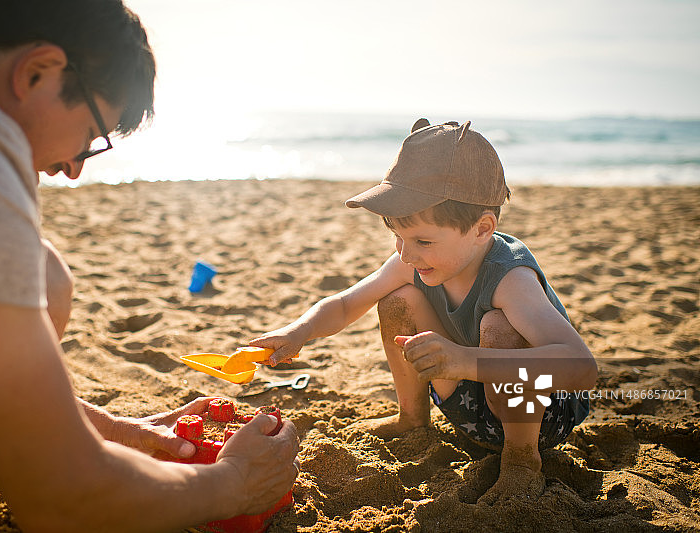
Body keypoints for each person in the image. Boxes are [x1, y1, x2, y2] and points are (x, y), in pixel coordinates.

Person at [0, 0, 299, 530]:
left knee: (42, 276)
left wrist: (123, 432)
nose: (71, 170)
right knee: (44, 283)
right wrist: (234, 485)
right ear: (36, 71)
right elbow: (60, 500)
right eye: (91, 137)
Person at [251, 119, 596, 504]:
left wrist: (466, 360)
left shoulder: (510, 278)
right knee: (398, 300)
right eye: (397, 237)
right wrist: (299, 332)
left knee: (499, 328)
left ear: (483, 228)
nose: (406, 253)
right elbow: (347, 303)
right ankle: (412, 420)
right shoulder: (413, 260)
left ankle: (520, 460)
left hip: (540, 415)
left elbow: (581, 368)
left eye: (423, 240)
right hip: (469, 408)